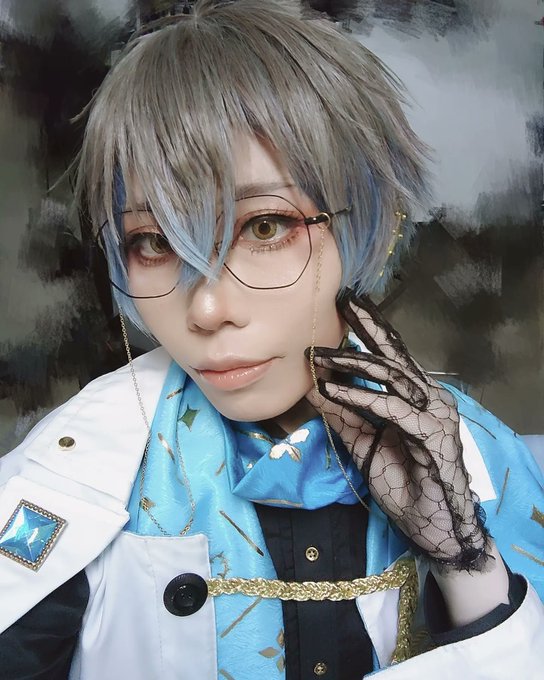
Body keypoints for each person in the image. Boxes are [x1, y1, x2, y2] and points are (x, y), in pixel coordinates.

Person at [0, 1, 542, 678]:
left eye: (264, 227)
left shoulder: (481, 458)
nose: (206, 308)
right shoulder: (77, 469)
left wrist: (466, 566)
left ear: (364, 220)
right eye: (154, 242)